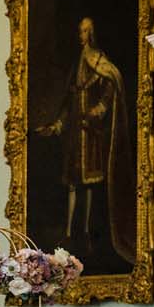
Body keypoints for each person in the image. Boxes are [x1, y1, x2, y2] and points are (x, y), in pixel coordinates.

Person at [38, 16, 124, 247]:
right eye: (80, 31)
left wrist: (100, 108)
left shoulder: (98, 59)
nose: (81, 35)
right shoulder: (78, 62)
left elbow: (111, 82)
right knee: (73, 182)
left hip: (90, 129)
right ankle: (68, 231)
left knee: (88, 183)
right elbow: (68, 102)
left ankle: (85, 230)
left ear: (92, 34)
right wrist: (57, 125)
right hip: (76, 128)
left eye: (85, 31)